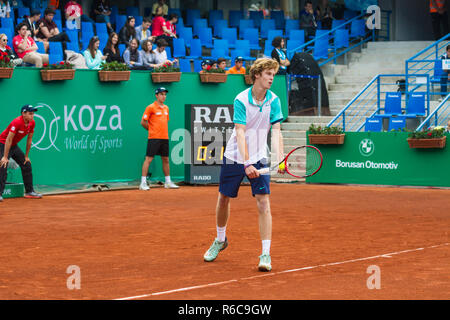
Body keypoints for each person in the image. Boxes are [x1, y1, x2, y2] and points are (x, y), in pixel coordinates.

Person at [202, 58, 284, 272]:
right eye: (268, 74)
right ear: (257, 75)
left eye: (273, 75)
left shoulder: (274, 100)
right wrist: (246, 162)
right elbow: (240, 131)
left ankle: (265, 253)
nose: (271, 78)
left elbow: (276, 131)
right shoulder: (241, 99)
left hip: (259, 156)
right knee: (223, 199)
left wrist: (281, 157)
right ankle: (220, 240)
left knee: (263, 203)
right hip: (235, 155)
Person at [0, 105, 43, 202]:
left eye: (33, 113)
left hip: (14, 145)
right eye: (30, 113)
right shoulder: (17, 122)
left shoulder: (32, 123)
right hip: (3, 143)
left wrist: (26, 156)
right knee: (3, 165)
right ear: (23, 114)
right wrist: (5, 157)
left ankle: (29, 192)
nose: (33, 115)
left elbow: (29, 139)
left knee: (26, 164)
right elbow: (8, 139)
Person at [140, 87, 179, 190]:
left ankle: (168, 182)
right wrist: (152, 130)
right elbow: (143, 122)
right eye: (161, 94)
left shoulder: (166, 108)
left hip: (164, 137)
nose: (164, 96)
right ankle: (143, 183)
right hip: (154, 138)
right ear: (156, 95)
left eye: (165, 94)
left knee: (165, 159)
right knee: (149, 159)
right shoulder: (150, 107)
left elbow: (164, 122)